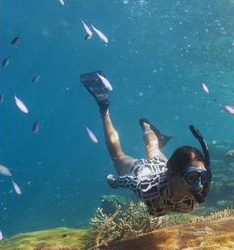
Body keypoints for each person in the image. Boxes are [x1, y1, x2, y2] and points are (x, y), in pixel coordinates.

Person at [80, 70, 212, 217]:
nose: (199, 185)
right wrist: (114, 182)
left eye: (203, 177)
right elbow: (130, 181)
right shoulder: (147, 190)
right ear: (173, 174)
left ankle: (147, 126)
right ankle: (104, 111)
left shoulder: (198, 187)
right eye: (192, 177)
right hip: (143, 172)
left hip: (161, 167)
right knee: (118, 155)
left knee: (153, 148)